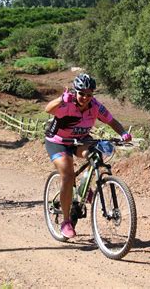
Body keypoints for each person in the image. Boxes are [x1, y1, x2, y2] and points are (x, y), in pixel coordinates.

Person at [44, 73, 132, 238]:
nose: (85, 97)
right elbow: (48, 109)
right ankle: (66, 221)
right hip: (58, 141)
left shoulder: (95, 106)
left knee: (96, 155)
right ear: (75, 91)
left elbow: (111, 121)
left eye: (89, 94)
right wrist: (60, 100)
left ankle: (85, 187)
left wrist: (123, 133)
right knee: (68, 174)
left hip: (79, 140)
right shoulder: (67, 103)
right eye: (81, 93)